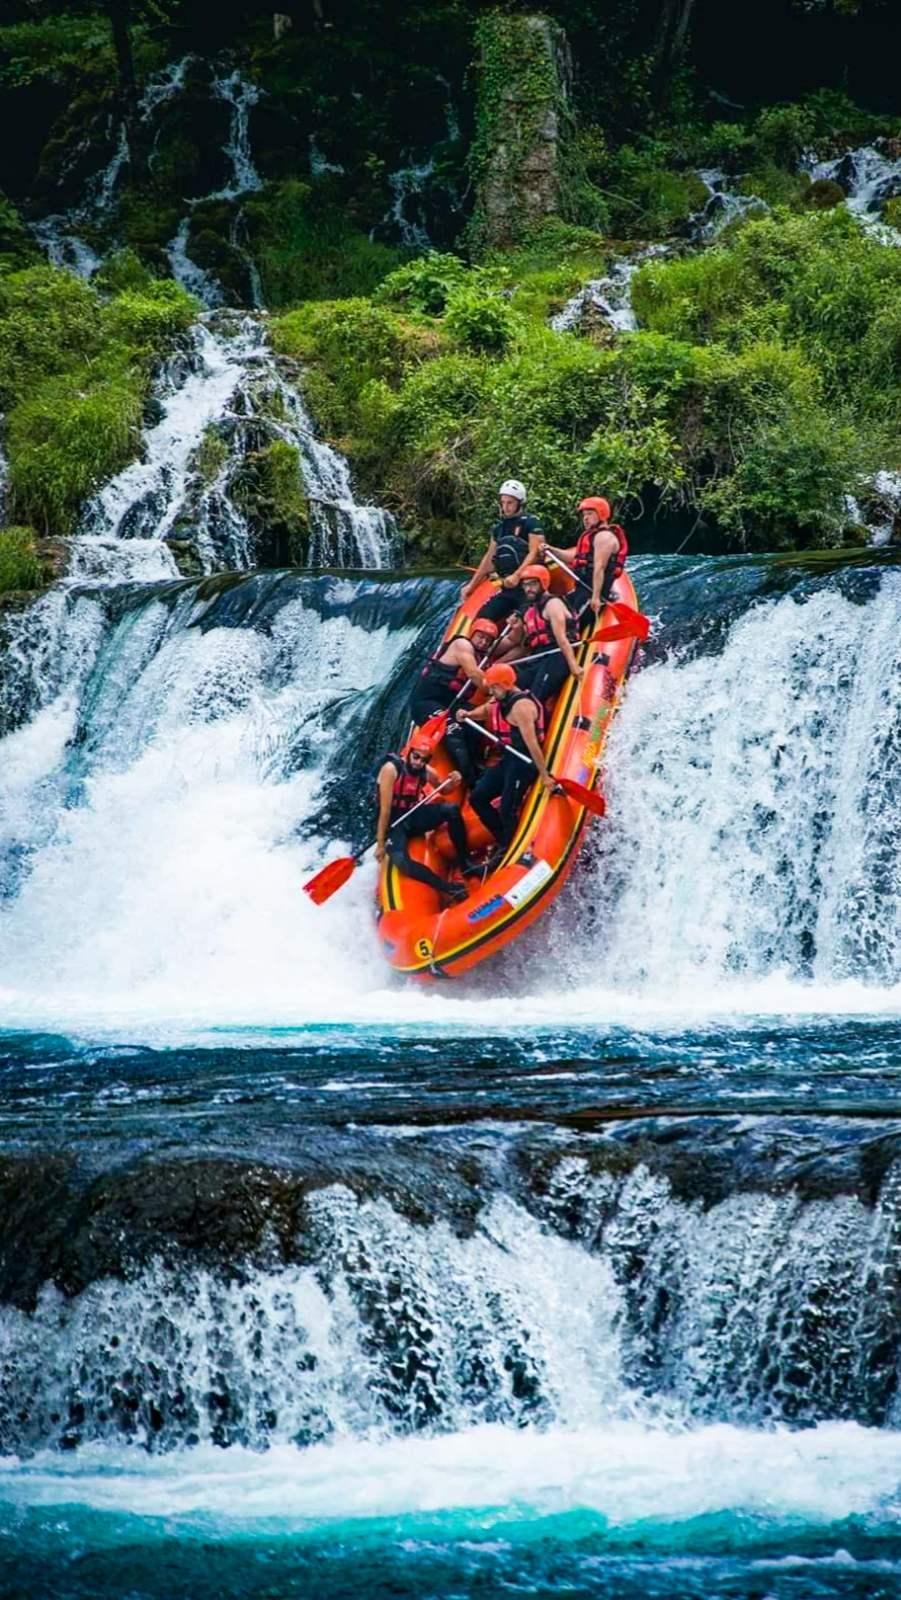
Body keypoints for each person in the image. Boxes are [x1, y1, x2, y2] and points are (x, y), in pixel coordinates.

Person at [459, 664, 560, 860]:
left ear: (504, 685)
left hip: (525, 761)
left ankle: (510, 847)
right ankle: (502, 839)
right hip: (510, 758)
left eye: (493, 688)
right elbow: (487, 710)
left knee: (507, 807)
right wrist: (468, 714)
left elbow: (532, 744)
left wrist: (545, 775)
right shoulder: (501, 699)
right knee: (477, 797)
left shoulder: (522, 707)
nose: (491, 691)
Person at [409, 617, 500, 787]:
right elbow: (473, 674)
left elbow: (511, 645)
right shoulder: (462, 645)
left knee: (476, 719)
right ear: (472, 635)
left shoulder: (483, 656)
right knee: (453, 730)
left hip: (449, 703)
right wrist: (494, 689)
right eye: (480, 637)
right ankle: (472, 781)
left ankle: (477, 762)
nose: (483, 642)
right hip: (426, 702)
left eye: (488, 640)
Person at [375, 738, 468, 902]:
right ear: (409, 753)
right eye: (416, 757)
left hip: (412, 814)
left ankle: (464, 862)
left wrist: (454, 782)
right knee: (401, 862)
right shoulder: (391, 770)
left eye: (424, 760)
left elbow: (444, 789)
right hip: (393, 822)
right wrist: (381, 844)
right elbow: (385, 810)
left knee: (451, 810)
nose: (419, 763)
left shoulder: (426, 771)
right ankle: (447, 888)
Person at [461, 479, 545, 626]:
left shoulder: (531, 522)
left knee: (521, 622)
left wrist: (517, 575)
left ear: (520, 502)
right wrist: (471, 586)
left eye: (510, 503)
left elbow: (535, 553)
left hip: (528, 587)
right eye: (503, 502)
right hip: (507, 587)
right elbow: (489, 559)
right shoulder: (499, 528)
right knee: (481, 620)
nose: (505, 507)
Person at [509, 564, 584, 703]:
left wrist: (574, 666)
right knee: (511, 689)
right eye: (525, 585)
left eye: (532, 584)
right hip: (539, 657)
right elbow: (523, 643)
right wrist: (517, 628)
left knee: (535, 697)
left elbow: (562, 639)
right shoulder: (530, 611)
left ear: (543, 583)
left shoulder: (553, 605)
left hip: (557, 655)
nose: (528, 589)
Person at [546, 496, 628, 618]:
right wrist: (551, 549)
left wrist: (595, 597)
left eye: (589, 514)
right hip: (582, 588)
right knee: (550, 605)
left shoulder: (604, 537)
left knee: (566, 618)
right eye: (584, 515)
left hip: (593, 592)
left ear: (601, 514)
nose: (585, 518)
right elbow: (573, 558)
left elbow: (599, 568)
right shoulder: (592, 536)